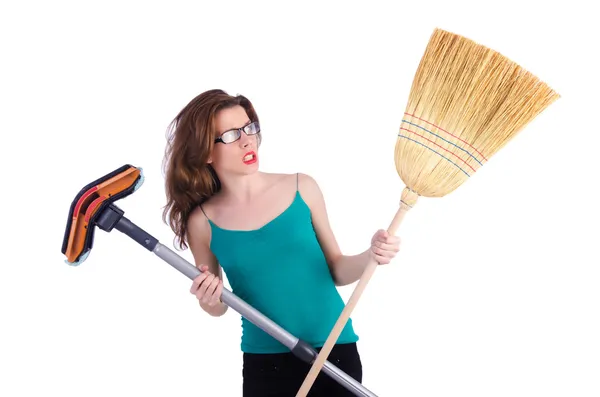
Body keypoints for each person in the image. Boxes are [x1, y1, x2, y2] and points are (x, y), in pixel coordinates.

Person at [162, 89, 401, 396]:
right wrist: (209, 299)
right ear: (207, 152)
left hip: (333, 351)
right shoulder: (202, 222)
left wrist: (371, 255)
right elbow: (218, 306)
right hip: (266, 363)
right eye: (232, 135)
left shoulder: (302, 188)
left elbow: (337, 269)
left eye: (249, 127)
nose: (248, 140)